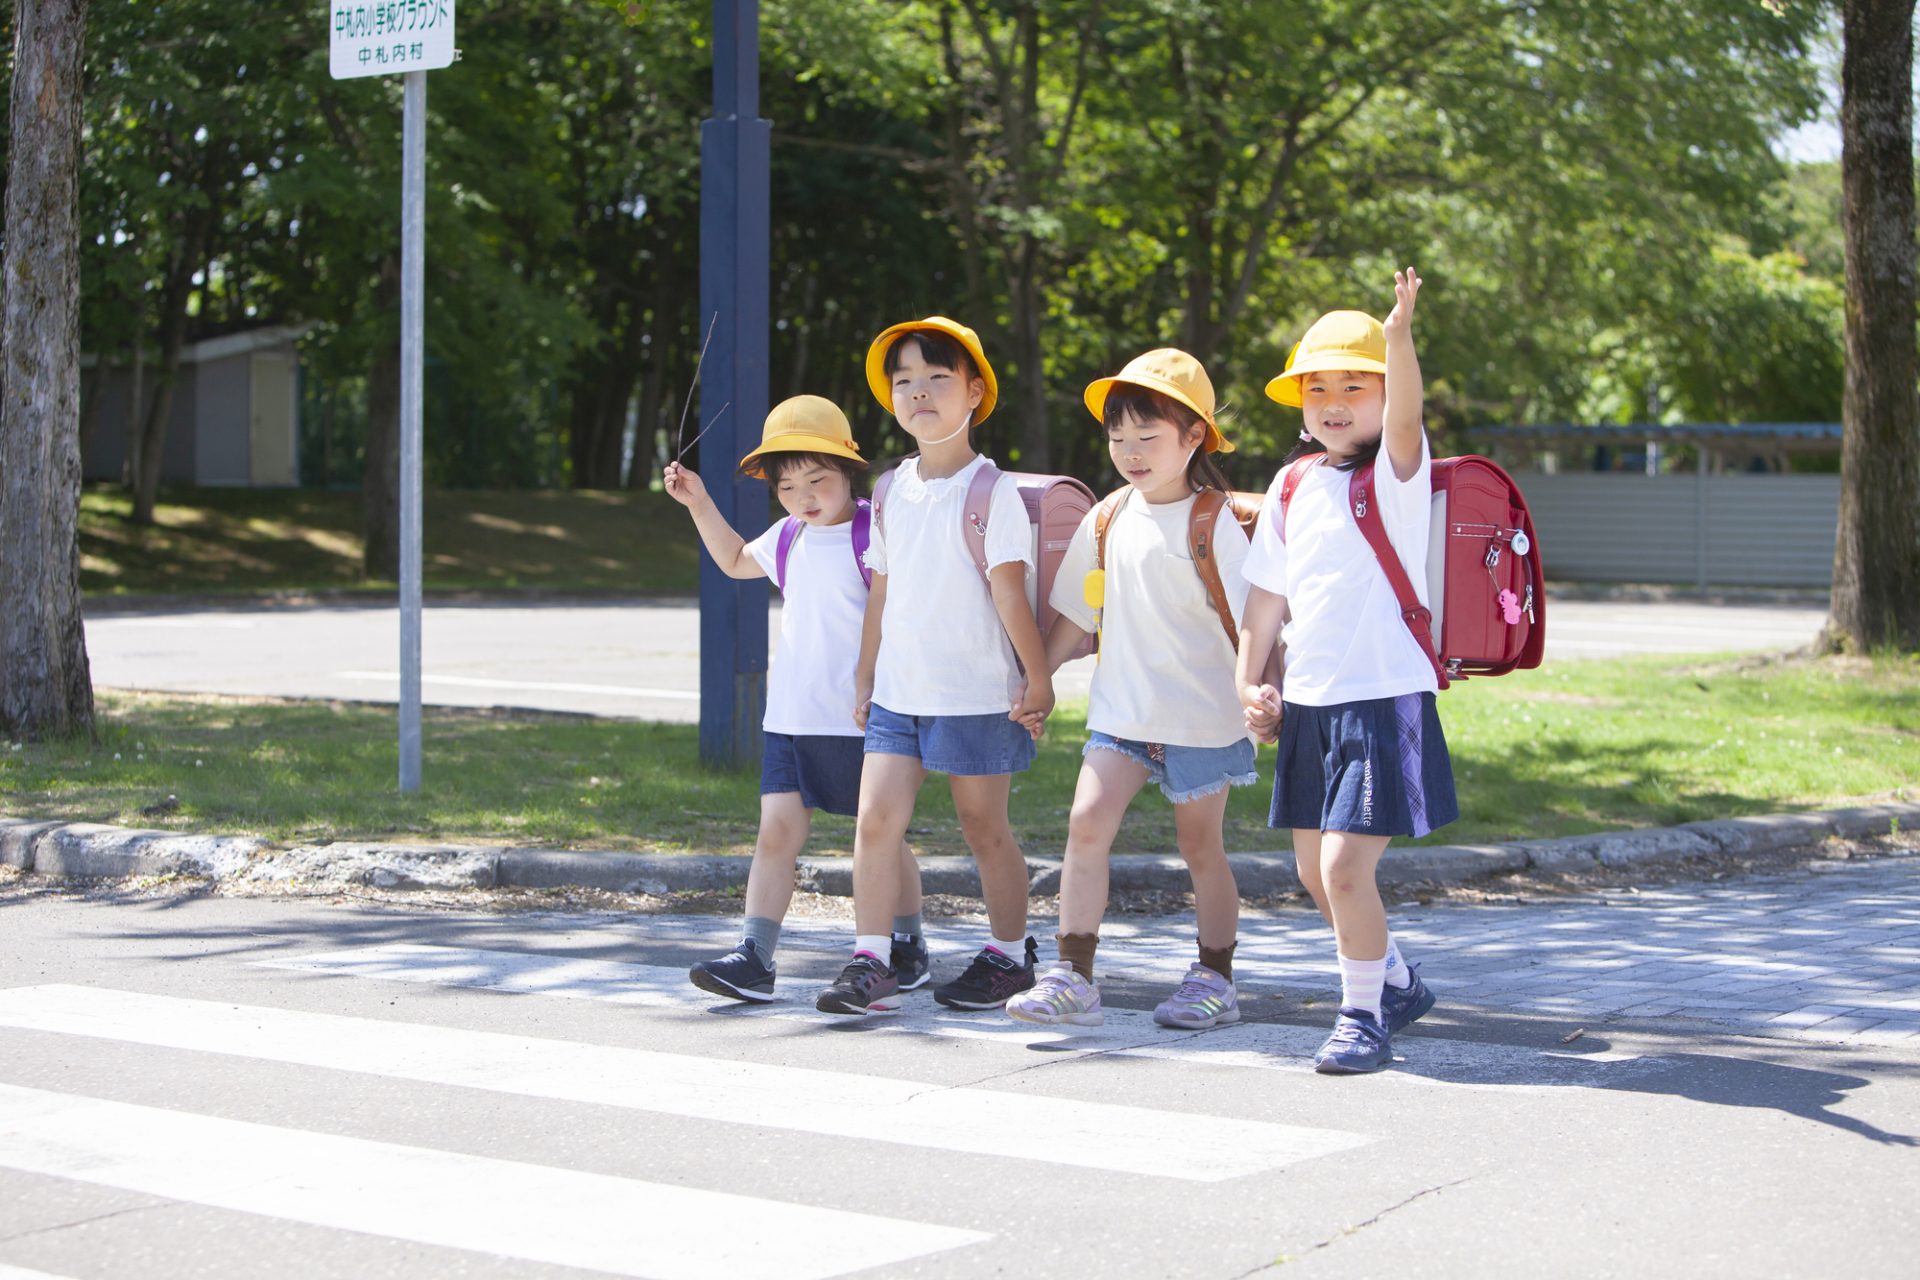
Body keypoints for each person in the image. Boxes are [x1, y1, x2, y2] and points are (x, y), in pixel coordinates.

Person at [1004, 349, 1265, 1030]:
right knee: (1085, 825)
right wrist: (1040, 680)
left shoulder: (1216, 524)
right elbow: (1078, 616)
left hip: (1204, 721)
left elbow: (1257, 622)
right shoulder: (1108, 516)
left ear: (1194, 437)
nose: (1130, 451)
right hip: (1121, 714)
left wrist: (1265, 694)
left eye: (1148, 437)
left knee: (1201, 849)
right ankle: (1073, 977)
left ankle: (1215, 979)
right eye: (1118, 437)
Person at [1236, 268, 1457, 1074]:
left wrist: (1397, 340)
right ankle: (1394, 980)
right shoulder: (1293, 482)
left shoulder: (1395, 477)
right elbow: (1267, 597)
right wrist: (1248, 679)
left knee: (1342, 866)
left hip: (1382, 696)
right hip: (1311, 703)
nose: (1333, 400)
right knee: (1309, 871)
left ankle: (1362, 1018)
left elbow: (1404, 419)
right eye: (1317, 386)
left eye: (1353, 385)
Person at [814, 317, 1051, 1016]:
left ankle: (1010, 954)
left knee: (984, 828)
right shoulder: (889, 489)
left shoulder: (991, 492)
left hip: (977, 692)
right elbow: (882, 590)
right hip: (899, 693)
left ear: (975, 392)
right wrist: (866, 675)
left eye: (937, 379)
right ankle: (872, 959)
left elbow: (1010, 593)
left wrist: (1037, 682)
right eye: (904, 381)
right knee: (875, 821)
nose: (918, 392)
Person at [664, 395, 929, 1003]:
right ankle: (754, 955)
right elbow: (733, 560)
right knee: (776, 834)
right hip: (789, 717)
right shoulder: (787, 537)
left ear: (848, 471)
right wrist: (698, 501)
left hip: (869, 718)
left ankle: (906, 946)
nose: (804, 496)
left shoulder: (876, 532)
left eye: (818, 479)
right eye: (787, 486)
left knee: (881, 837)